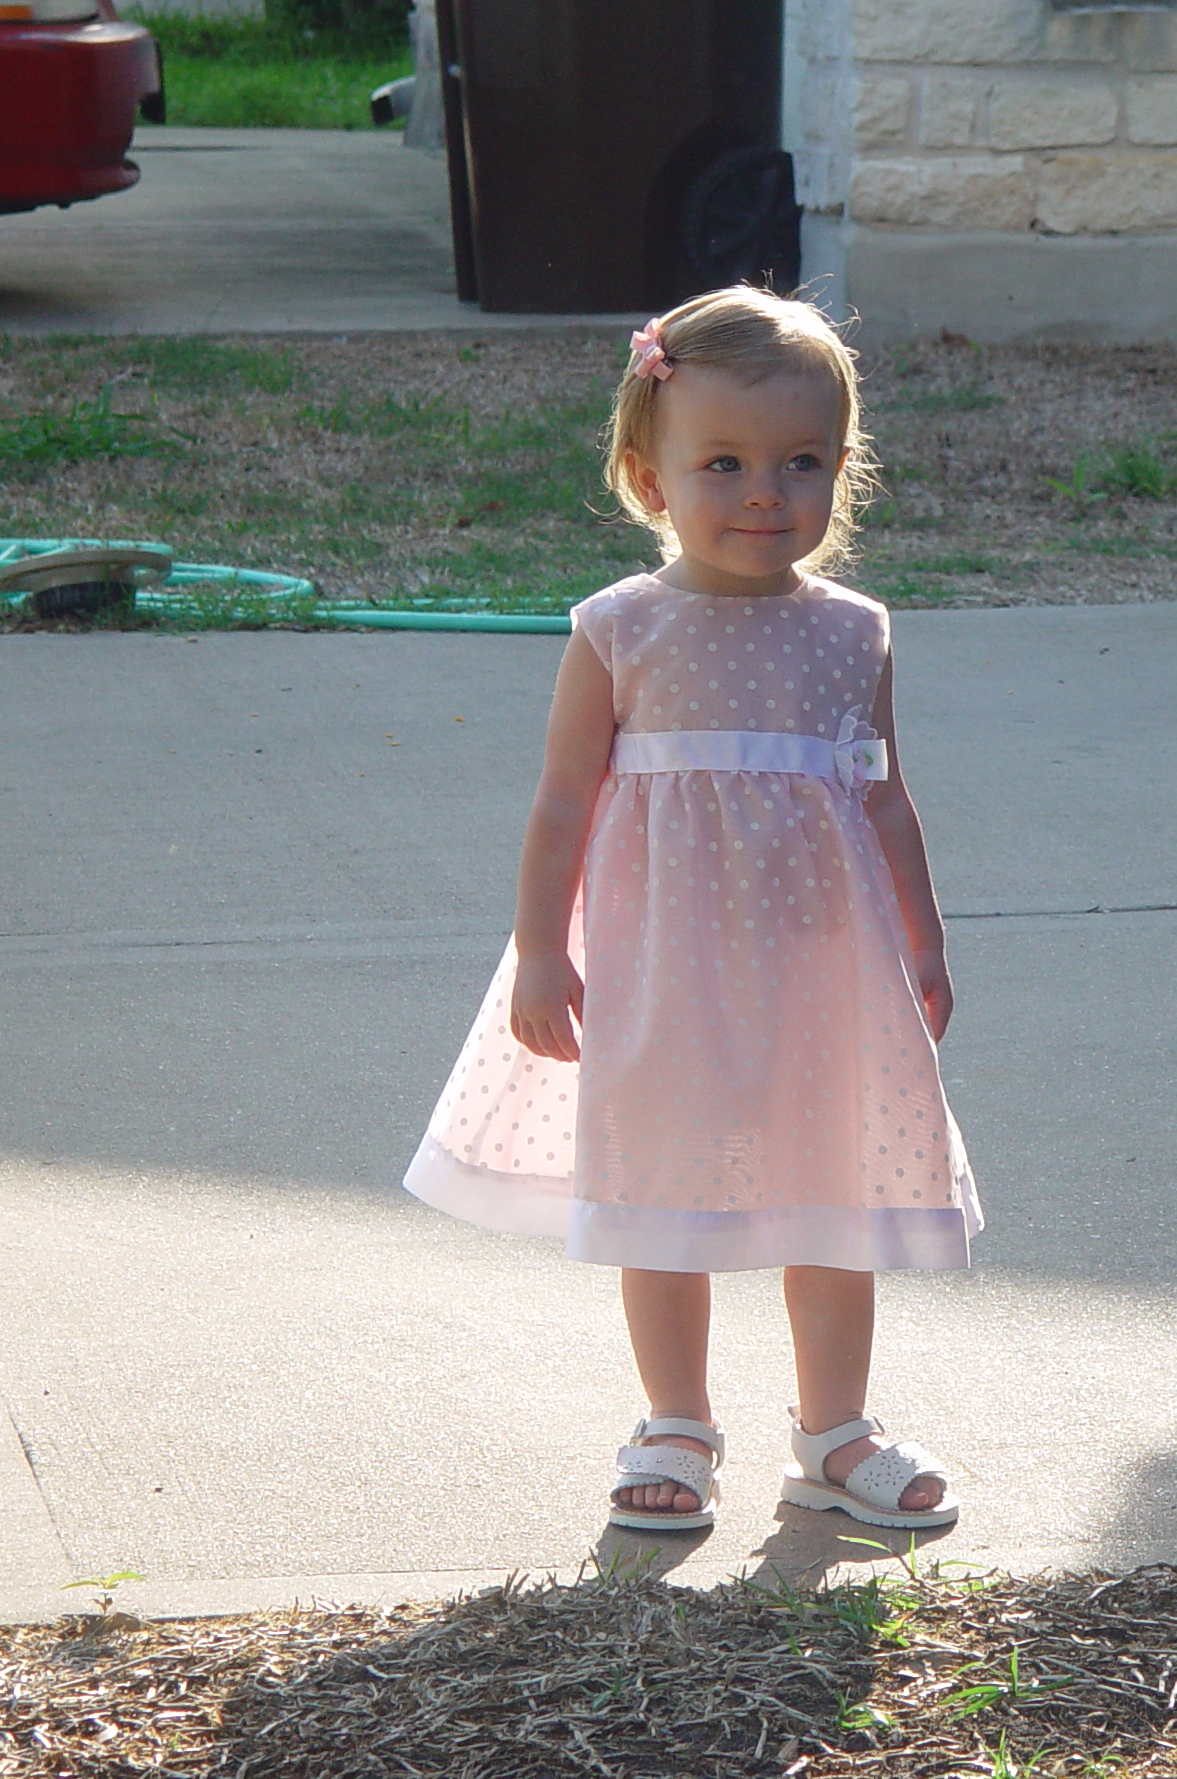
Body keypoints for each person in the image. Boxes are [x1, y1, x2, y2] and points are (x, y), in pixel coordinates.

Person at [403, 286, 980, 1533]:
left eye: (801, 462)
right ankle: (675, 1422)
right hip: (660, 969)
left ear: (842, 470)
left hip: (825, 972)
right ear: (648, 475)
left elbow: (883, 800)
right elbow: (563, 803)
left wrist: (923, 940)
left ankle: (834, 1432)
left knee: (835, 1188)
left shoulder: (853, 636)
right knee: (663, 1190)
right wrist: (539, 955)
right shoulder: (621, 630)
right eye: (722, 463)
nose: (765, 492)